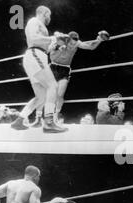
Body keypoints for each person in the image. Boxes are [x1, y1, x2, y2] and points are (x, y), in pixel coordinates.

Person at [11, 5, 68, 133]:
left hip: (37, 56)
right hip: (35, 55)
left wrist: (56, 46)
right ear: (44, 13)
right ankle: (48, 122)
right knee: (52, 86)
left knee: (41, 96)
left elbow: (45, 48)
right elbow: (33, 38)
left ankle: (19, 120)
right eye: (49, 15)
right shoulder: (34, 21)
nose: (50, 18)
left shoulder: (43, 28)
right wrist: (53, 38)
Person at [41, 30, 109, 125]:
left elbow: (90, 47)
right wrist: (57, 47)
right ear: (67, 40)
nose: (73, 45)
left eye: (74, 44)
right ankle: (43, 116)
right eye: (71, 44)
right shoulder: (61, 40)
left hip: (64, 69)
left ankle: (55, 114)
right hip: (52, 67)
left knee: (60, 95)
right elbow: (48, 50)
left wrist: (99, 40)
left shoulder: (77, 43)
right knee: (48, 94)